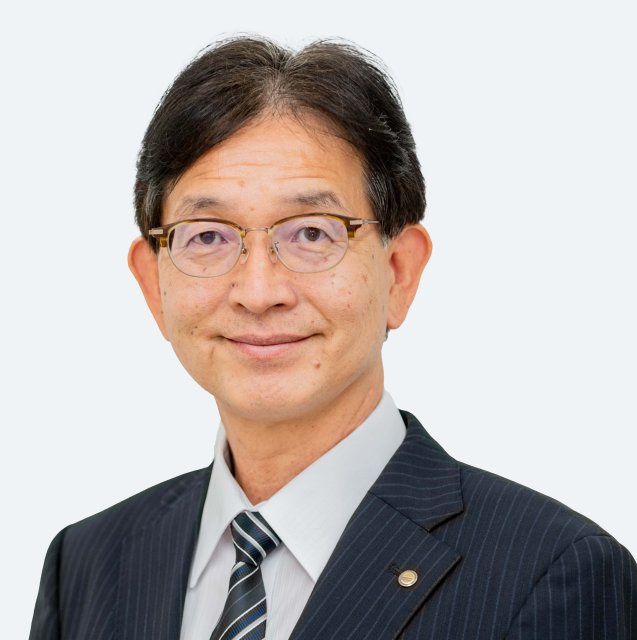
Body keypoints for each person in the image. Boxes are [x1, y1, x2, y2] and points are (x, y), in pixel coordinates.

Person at [30, 36, 636, 640]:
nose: (258, 291)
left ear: (399, 272)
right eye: (208, 236)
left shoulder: (552, 573)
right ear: (153, 284)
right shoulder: (86, 564)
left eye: (312, 234)